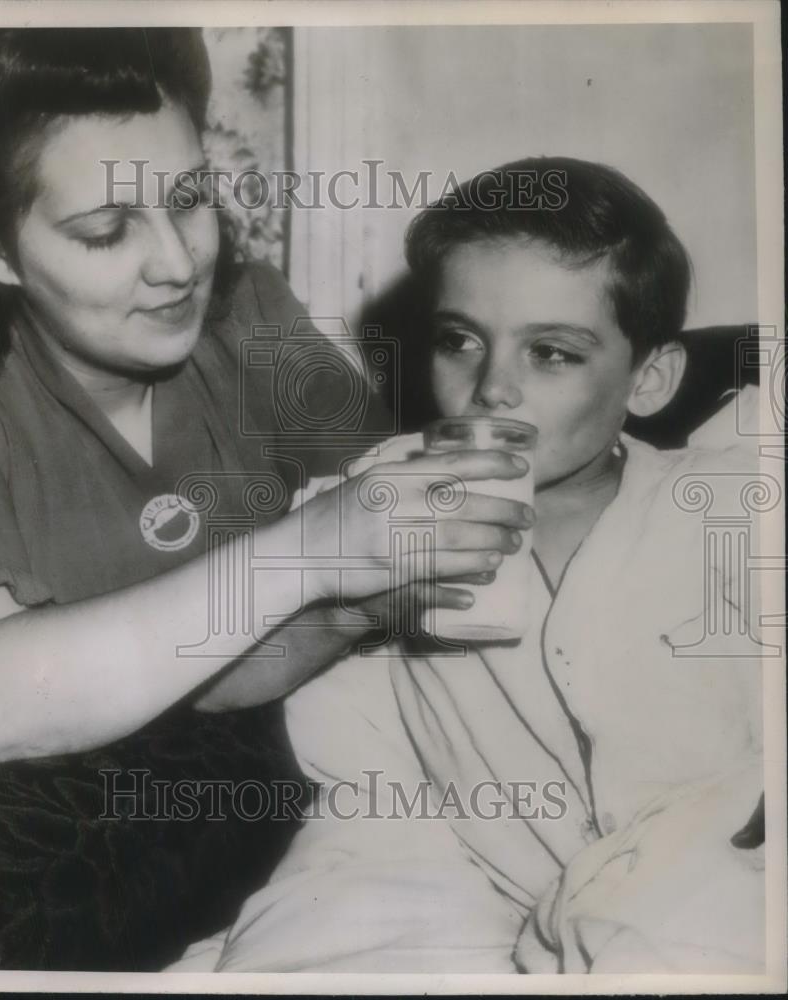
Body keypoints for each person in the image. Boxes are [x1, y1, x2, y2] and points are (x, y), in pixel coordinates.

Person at [0, 29, 532, 969]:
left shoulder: (250, 317)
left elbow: (385, 571)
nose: (177, 263)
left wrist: (353, 590)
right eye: (105, 231)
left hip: (273, 788)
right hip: (18, 868)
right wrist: (315, 552)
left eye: (189, 199)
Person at [178, 157, 766, 973]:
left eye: (551, 354)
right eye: (459, 341)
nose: (491, 388)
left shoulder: (727, 508)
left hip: (695, 881)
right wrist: (356, 605)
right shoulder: (376, 501)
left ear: (649, 377)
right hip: (456, 888)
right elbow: (208, 677)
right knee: (312, 939)